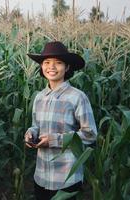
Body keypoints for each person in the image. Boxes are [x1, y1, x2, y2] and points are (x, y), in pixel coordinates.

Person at [24, 41, 97, 200]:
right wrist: (30, 133)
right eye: (47, 62)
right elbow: (36, 125)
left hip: (66, 177)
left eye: (58, 63)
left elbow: (90, 134)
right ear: (42, 67)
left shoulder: (77, 97)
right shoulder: (39, 97)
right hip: (41, 175)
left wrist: (55, 140)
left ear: (67, 67)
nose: (52, 67)